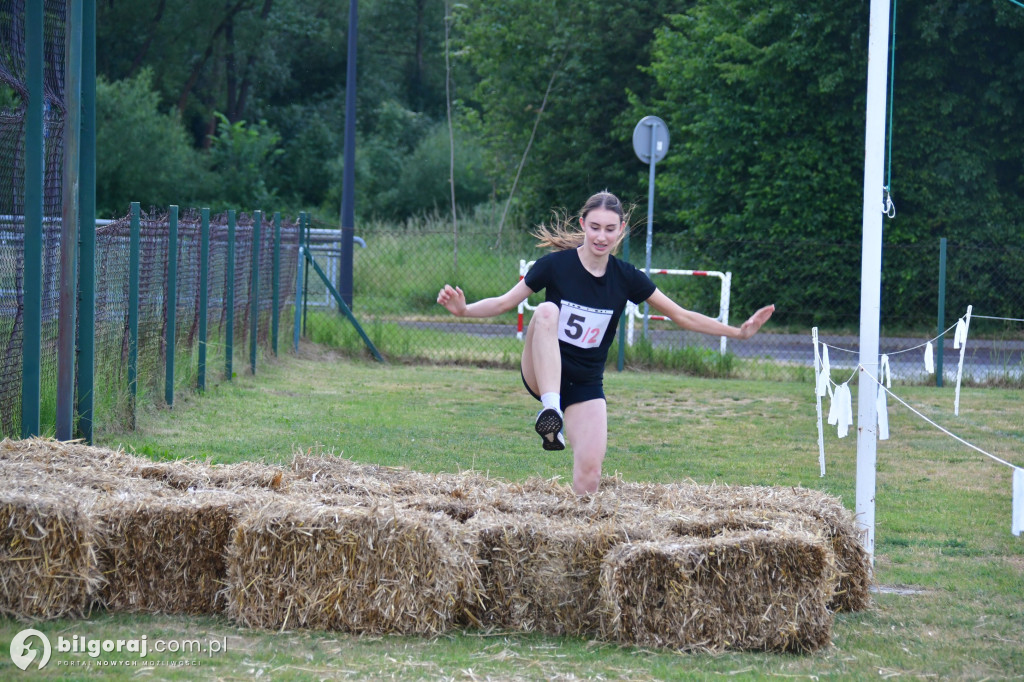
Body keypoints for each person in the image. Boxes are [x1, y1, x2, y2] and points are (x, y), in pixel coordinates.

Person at [437, 191, 774, 495]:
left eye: (610, 229)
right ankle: (550, 409)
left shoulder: (627, 277)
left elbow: (682, 315)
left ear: (621, 231)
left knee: (590, 475)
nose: (601, 236)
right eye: (595, 227)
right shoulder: (554, 266)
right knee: (545, 311)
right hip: (541, 373)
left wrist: (738, 333)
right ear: (583, 224)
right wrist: (463, 310)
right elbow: (503, 303)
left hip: (585, 383)